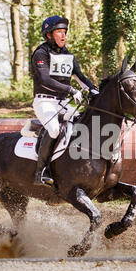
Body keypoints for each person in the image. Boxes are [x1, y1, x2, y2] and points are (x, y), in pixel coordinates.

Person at [31, 15, 99, 186]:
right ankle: (41, 171)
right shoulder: (41, 53)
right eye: (59, 32)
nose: (63, 36)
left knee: (81, 125)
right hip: (44, 102)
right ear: (49, 35)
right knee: (54, 130)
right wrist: (71, 90)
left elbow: (80, 77)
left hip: (62, 103)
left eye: (64, 32)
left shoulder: (68, 54)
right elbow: (45, 80)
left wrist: (94, 91)